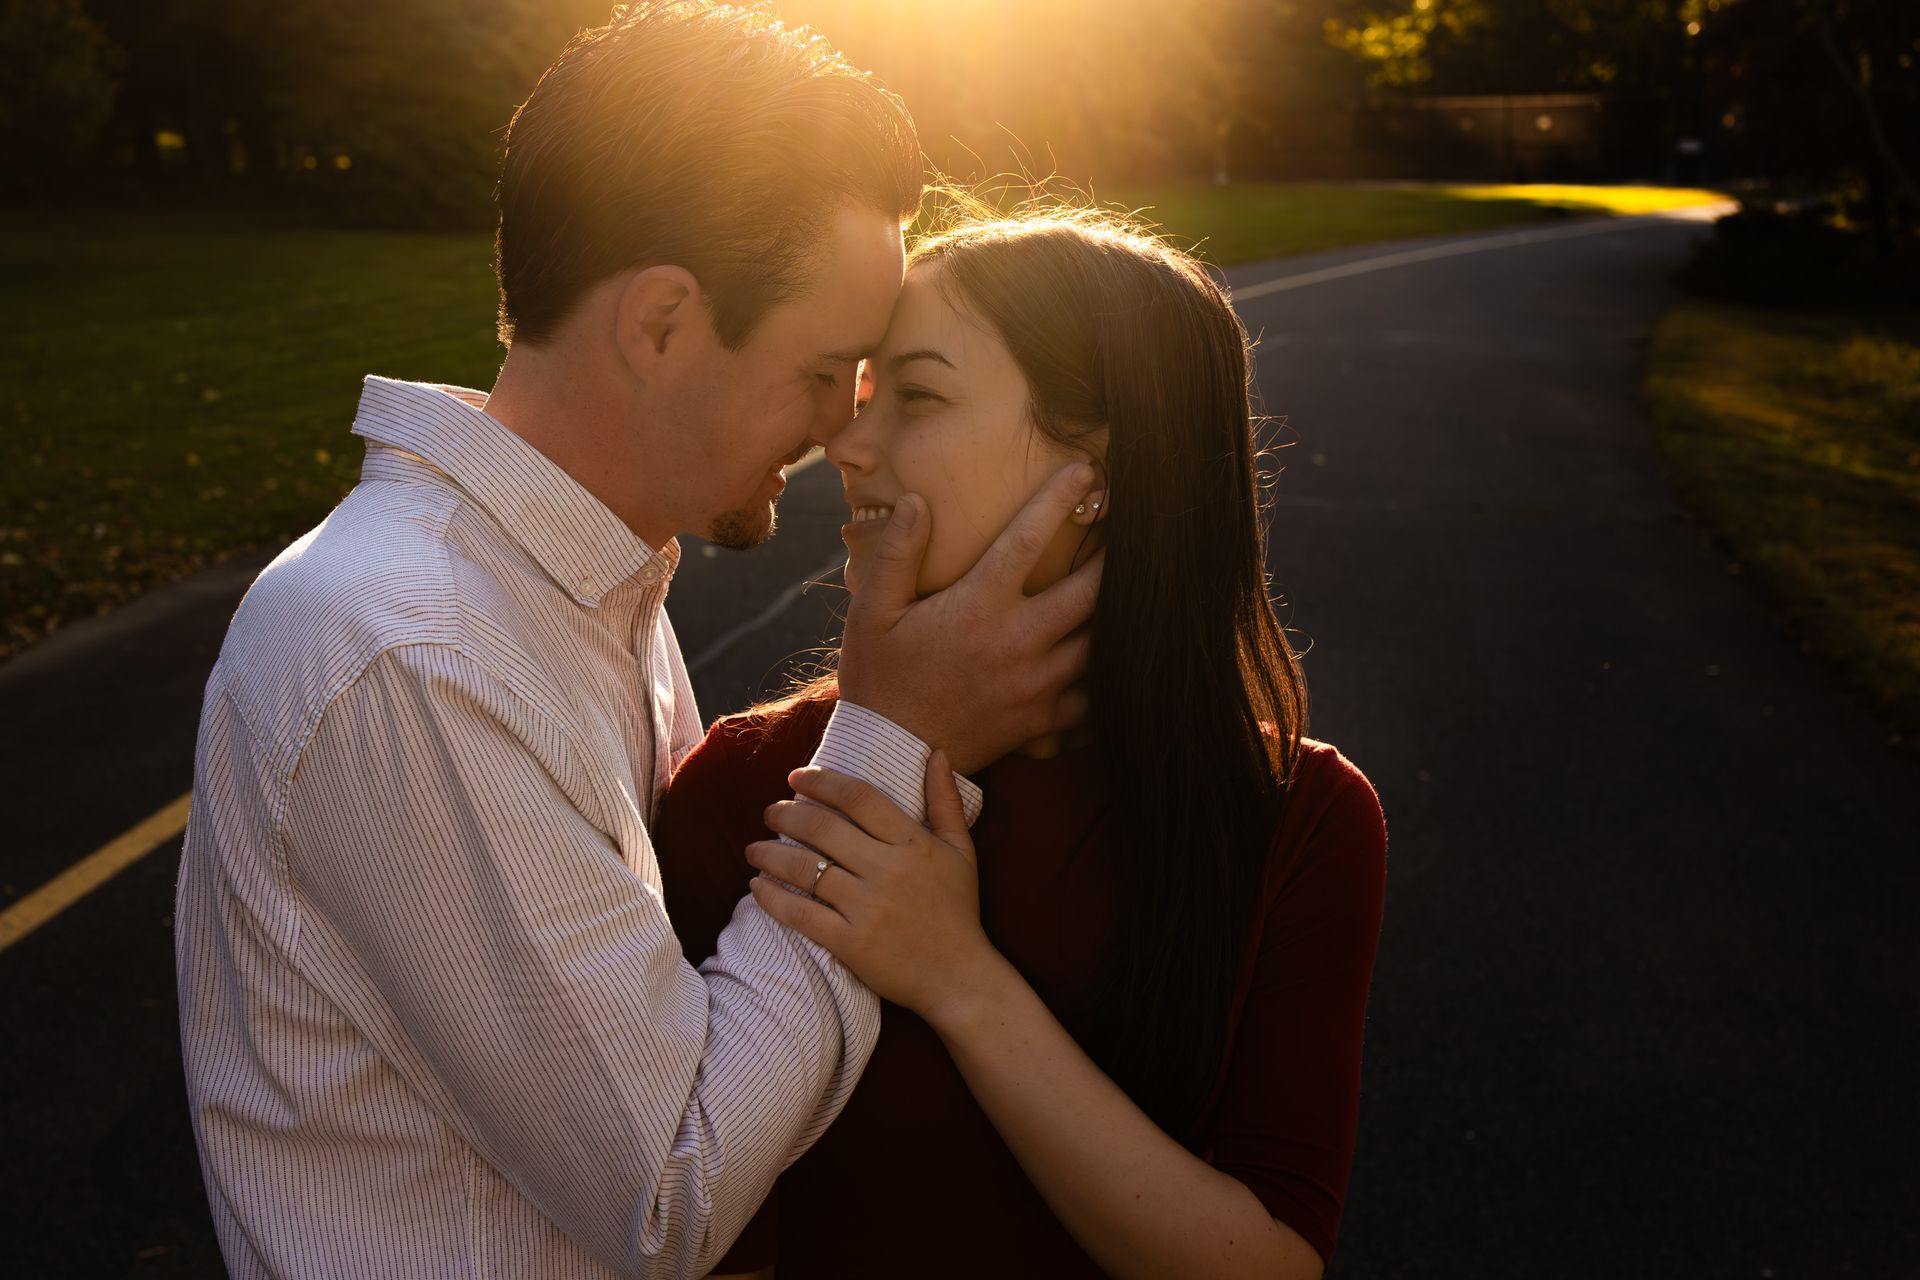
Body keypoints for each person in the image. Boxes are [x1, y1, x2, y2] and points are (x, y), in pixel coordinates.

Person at [171, 7, 1098, 1277]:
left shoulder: (573, 586)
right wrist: (901, 735)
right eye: (827, 369)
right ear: (661, 323)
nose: (842, 430)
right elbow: (673, 1184)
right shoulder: (417, 652)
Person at [652, 209, 1390, 1279]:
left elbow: (1269, 1259)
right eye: (863, 396)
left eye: (921, 396)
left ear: (1098, 472)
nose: (846, 446)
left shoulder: (1298, 815)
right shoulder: (753, 780)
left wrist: (958, 977)